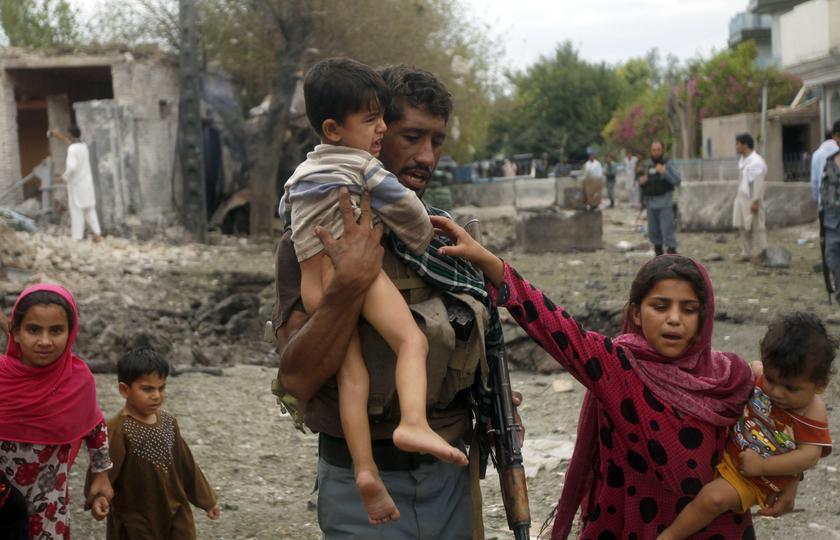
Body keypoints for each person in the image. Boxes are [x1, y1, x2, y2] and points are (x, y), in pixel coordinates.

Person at [428, 217, 802, 538]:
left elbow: (787, 418)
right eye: (660, 306)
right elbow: (556, 326)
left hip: (719, 528)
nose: (674, 319)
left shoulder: (731, 376)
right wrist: (489, 262)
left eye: (689, 309)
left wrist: (792, 478)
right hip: (637, 525)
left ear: (704, 318)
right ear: (636, 313)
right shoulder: (619, 367)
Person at [274, 64, 519, 539]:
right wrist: (349, 287)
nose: (426, 156)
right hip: (360, 488)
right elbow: (297, 379)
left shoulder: (449, 239)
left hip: (449, 474)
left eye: (437, 141)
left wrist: (495, 399)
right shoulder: (313, 240)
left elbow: (482, 339)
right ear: (377, 133)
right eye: (411, 137)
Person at [660, 313, 834, 539]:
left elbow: (809, 457)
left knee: (713, 499)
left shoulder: (811, 412)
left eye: (791, 388)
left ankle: (669, 536)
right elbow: (747, 369)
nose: (776, 392)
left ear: (820, 385)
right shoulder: (762, 373)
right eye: (771, 380)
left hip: (754, 476)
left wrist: (763, 466)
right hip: (726, 447)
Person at [0, 284, 113, 539]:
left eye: (56, 330)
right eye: (33, 329)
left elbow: (96, 428)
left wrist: (101, 475)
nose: (45, 341)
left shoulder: (77, 380)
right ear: (15, 332)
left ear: (71, 333)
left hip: (48, 508)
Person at [100, 348, 219, 539]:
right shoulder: (117, 430)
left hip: (176, 509)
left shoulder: (168, 422)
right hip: (137, 517)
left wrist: (208, 500)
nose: (156, 395)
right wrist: (99, 497)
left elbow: (186, 465)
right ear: (124, 390)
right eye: (147, 389)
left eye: (161, 388)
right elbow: (103, 472)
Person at [50, 127, 103, 242]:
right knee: (89, 209)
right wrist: (59, 135)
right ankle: (97, 234)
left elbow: (72, 168)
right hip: (87, 185)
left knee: (77, 212)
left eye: (68, 134)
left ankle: (77, 237)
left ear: (70, 135)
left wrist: (62, 178)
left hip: (76, 186)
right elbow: (72, 145)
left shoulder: (72, 149)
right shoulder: (83, 146)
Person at [640, 141, 681, 255]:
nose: (656, 152)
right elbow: (641, 182)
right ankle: (658, 253)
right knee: (653, 231)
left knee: (667, 230)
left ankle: (672, 252)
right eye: (654, 150)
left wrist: (664, 172)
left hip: (665, 203)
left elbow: (677, 180)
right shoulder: (647, 164)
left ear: (662, 150)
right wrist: (642, 182)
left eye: (658, 150)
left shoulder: (668, 164)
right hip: (650, 203)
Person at [733, 133, 768, 263]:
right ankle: (746, 253)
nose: (736, 147)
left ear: (745, 145)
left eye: (738, 144)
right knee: (742, 226)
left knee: (757, 226)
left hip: (752, 198)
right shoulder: (743, 160)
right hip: (742, 196)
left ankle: (761, 252)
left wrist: (755, 201)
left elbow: (758, 183)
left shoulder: (756, 162)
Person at [810, 127, 840, 206]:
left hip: (825, 200)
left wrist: (816, 198)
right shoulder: (837, 151)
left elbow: (814, 181)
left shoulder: (817, 154)